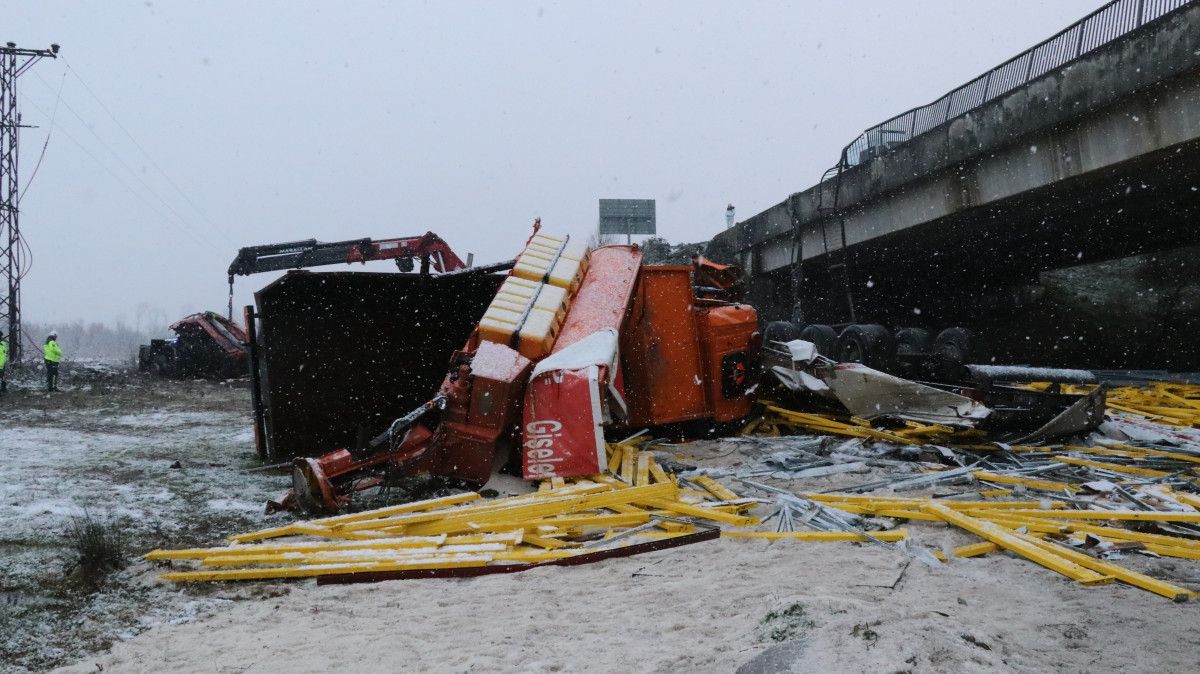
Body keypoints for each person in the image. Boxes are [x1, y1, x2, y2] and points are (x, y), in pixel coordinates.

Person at [0, 329, 7, 394]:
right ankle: (3, 389)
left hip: (2, 363)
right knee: (2, 377)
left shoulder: (3, 343)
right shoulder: (4, 343)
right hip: (2, 363)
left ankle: (3, 388)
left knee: (2, 376)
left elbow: (4, 354)